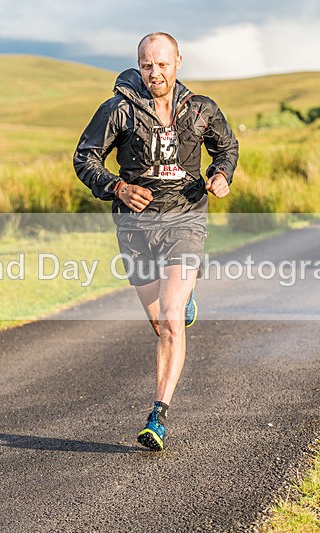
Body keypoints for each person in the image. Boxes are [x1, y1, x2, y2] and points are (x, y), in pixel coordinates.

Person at [74, 32, 239, 450]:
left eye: (162, 64)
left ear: (178, 61)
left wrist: (221, 175)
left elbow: (227, 147)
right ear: (139, 65)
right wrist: (116, 187)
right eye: (147, 65)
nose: (155, 73)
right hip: (136, 228)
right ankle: (182, 306)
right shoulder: (119, 111)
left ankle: (158, 416)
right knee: (161, 324)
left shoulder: (201, 110)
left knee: (169, 320)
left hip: (185, 220)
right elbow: (85, 157)